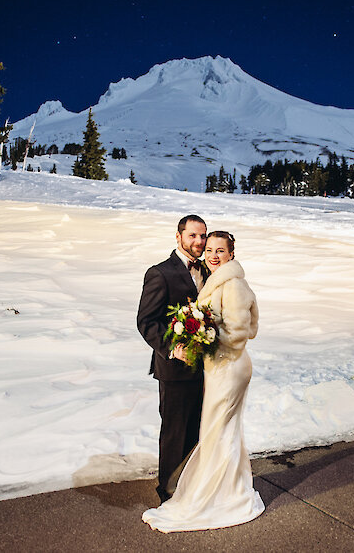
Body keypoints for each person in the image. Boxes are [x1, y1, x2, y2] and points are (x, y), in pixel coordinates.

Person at [142, 231, 265, 532]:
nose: (212, 254)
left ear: (231, 255)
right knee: (218, 430)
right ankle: (224, 486)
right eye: (209, 248)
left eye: (220, 250)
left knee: (218, 430)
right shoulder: (216, 279)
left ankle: (220, 495)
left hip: (229, 367)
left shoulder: (233, 285)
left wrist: (203, 337)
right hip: (219, 366)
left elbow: (238, 333)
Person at [136, 214, 209, 504]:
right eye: (192, 236)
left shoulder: (208, 270)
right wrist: (171, 348)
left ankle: (191, 485)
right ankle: (168, 492)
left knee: (198, 428)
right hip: (175, 368)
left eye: (202, 236)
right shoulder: (160, 273)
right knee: (175, 431)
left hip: (207, 367)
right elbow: (146, 321)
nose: (199, 242)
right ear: (178, 237)